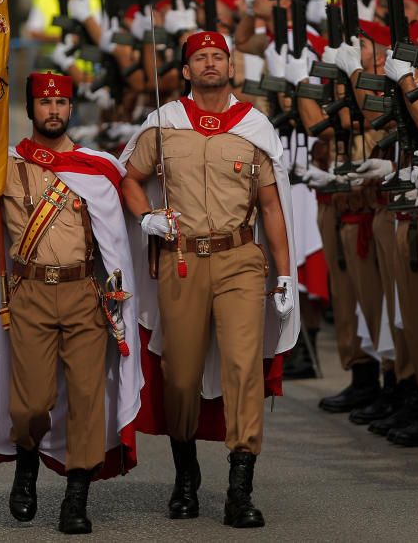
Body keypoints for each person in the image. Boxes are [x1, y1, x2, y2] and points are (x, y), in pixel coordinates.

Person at [0, 71, 143, 535]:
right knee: (29, 404)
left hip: (83, 295)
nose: (54, 111)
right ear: (30, 110)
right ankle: (26, 462)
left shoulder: (96, 168)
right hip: (28, 294)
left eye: (62, 103)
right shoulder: (3, 165)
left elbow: (118, 231)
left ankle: (77, 495)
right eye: (45, 104)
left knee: (88, 397)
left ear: (71, 109)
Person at [120, 30, 299, 528]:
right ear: (186, 70)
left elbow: (272, 206)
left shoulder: (254, 127)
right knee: (180, 372)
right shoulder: (164, 123)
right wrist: (146, 218)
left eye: (219, 56)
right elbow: (129, 177)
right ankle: (185, 476)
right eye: (201, 57)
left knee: (244, 368)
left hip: (240, 259)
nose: (211, 64)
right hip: (181, 259)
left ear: (232, 66)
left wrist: (285, 276)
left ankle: (240, 488)